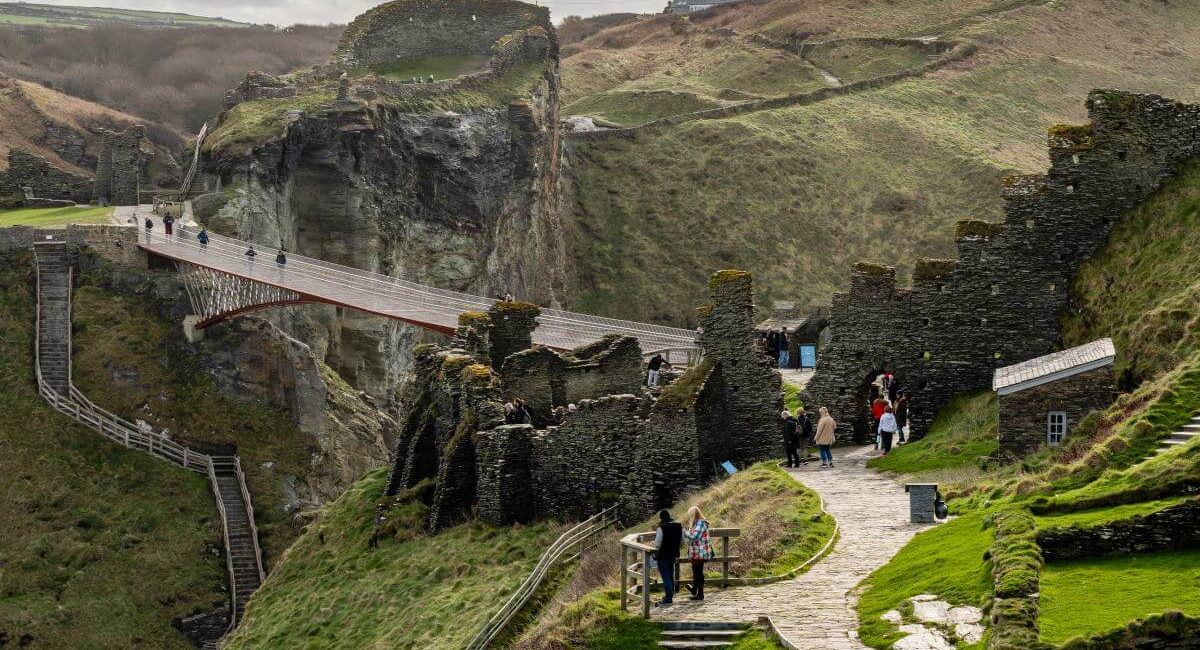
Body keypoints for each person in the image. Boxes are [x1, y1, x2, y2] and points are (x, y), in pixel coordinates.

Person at [682, 506, 715, 601]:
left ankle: (698, 592)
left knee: (698, 573)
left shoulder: (700, 523)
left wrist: (685, 532)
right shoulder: (697, 523)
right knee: (697, 572)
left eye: (690, 515)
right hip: (697, 552)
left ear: (693, 515)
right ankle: (697, 592)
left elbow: (695, 536)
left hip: (700, 552)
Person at [652, 509, 682, 606]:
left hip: (663, 555)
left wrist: (653, 547)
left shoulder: (661, 528)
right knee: (670, 575)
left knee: (666, 577)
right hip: (673, 554)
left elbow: (657, 544)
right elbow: (681, 539)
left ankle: (668, 598)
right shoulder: (678, 526)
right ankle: (670, 595)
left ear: (661, 518)